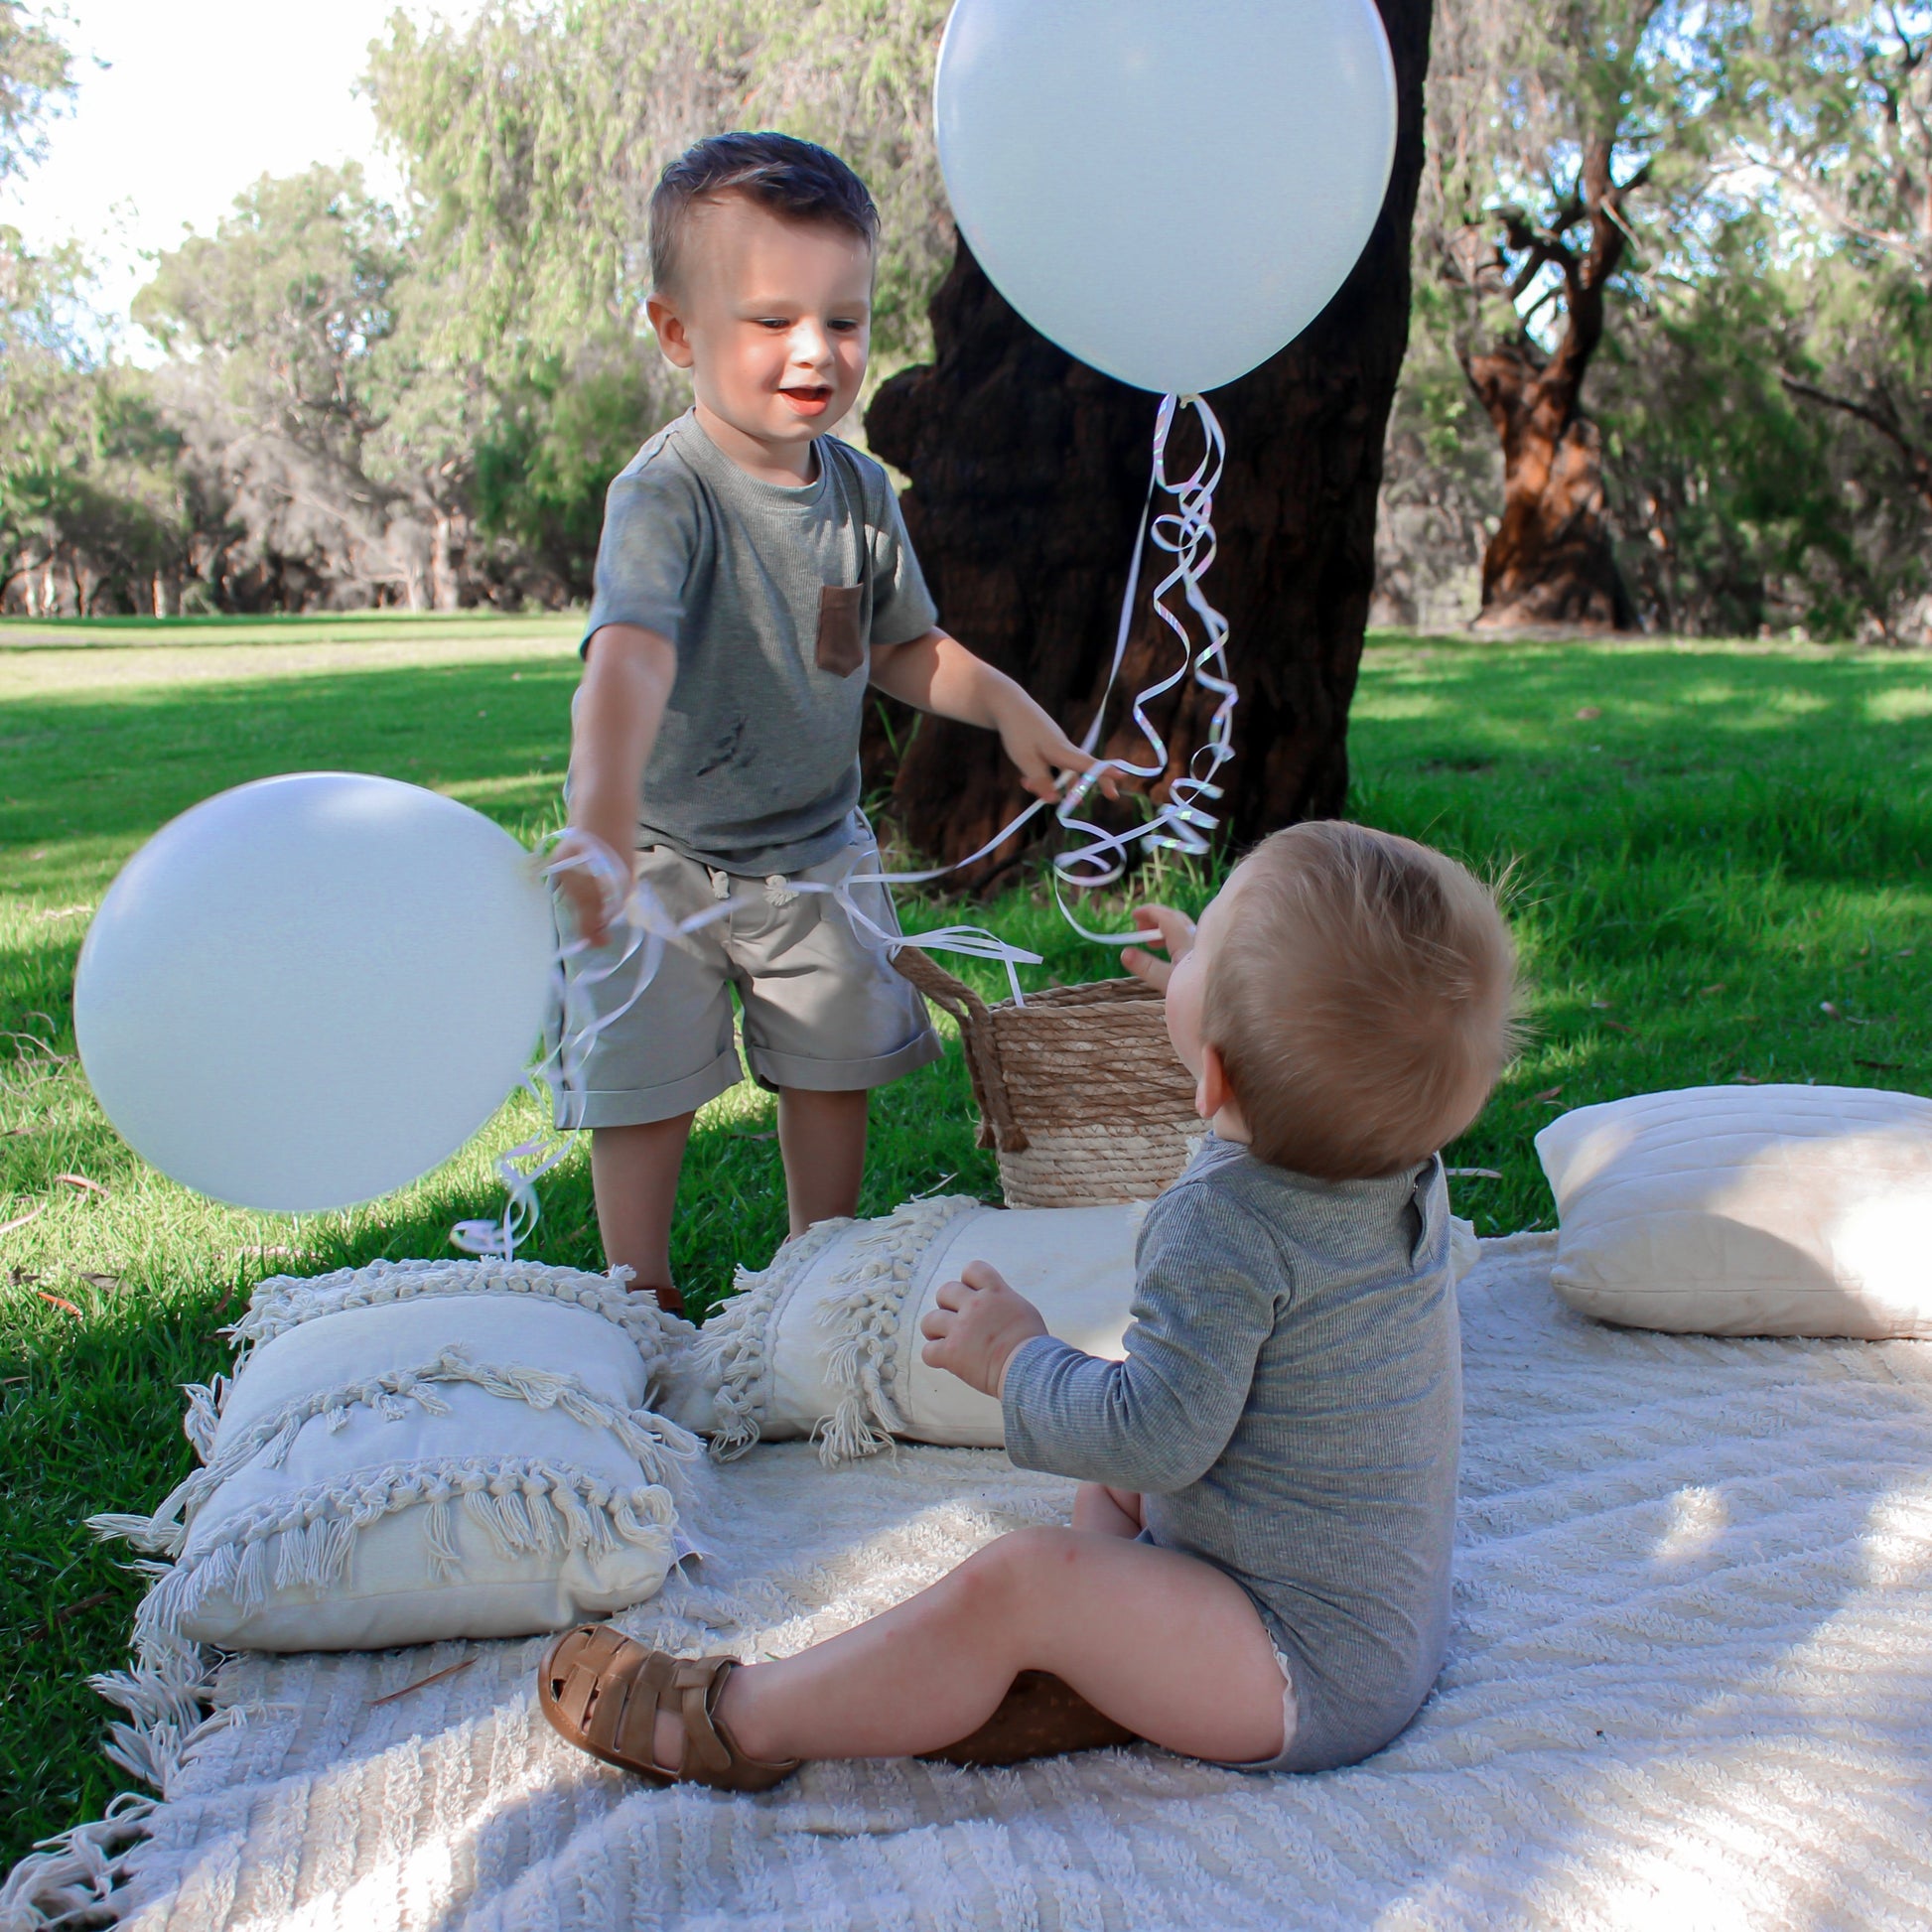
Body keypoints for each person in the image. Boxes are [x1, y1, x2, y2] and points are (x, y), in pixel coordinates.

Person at [535, 820, 1520, 1786]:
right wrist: (1222, 996)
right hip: (1369, 1623)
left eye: (1207, 936)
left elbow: (1154, 1442)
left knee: (1021, 1577)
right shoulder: (1388, 1146)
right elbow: (1311, 1069)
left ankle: (734, 1721)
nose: (1193, 932)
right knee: (1109, 1488)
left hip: (1291, 1668)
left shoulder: (1223, 1220)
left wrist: (1017, 1356)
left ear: (1212, 1066)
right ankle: (1083, 1667)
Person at [550, 132, 1110, 1315]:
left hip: (812, 850)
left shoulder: (856, 492)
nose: (815, 351)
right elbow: (629, 660)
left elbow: (893, 647)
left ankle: (822, 1274)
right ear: (676, 333)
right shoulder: (668, 494)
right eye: (770, 320)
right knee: (645, 1079)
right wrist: (599, 824)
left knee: (831, 1058)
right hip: (660, 848)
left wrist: (1004, 705)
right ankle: (636, 1293)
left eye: (843, 321)